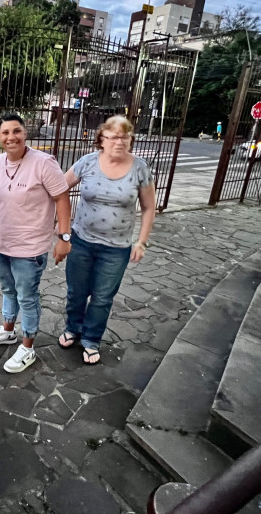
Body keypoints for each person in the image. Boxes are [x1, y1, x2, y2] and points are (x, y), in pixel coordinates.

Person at [57, 115, 156, 365]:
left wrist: (141, 242)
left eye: (124, 136)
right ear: (102, 139)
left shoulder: (140, 168)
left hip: (116, 248)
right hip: (81, 241)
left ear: (131, 139)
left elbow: (148, 208)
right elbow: (59, 188)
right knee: (76, 292)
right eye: (113, 136)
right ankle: (73, 328)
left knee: (102, 298)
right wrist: (62, 229)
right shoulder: (87, 162)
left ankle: (91, 339)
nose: (119, 141)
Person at [0, 113, 72, 373]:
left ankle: (28, 347)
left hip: (29, 250)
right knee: (8, 291)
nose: (12, 137)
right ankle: (9, 330)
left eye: (16, 131)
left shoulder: (44, 163)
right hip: (1, 244)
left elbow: (62, 198)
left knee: (28, 298)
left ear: (25, 133)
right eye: (5, 132)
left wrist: (64, 238)